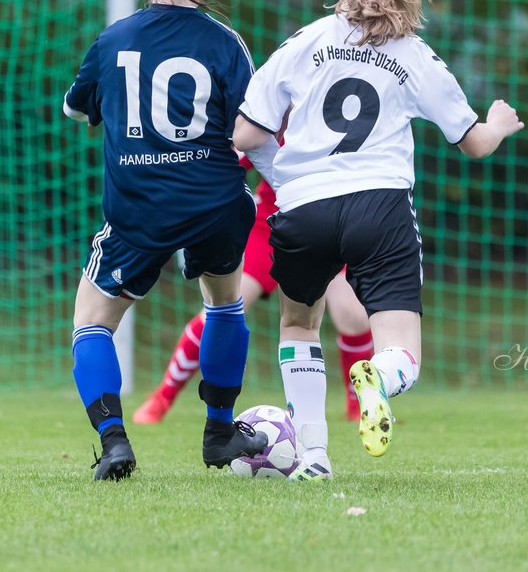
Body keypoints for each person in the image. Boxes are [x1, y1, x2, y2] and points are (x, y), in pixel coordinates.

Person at [232, 0, 524, 479]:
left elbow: (246, 133)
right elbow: (474, 143)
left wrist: (284, 167)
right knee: (401, 349)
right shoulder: (414, 53)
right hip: (380, 207)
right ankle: (380, 379)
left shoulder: (304, 42)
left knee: (299, 328)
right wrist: (500, 123)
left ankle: (314, 458)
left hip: (302, 208)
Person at [63, 0, 270, 481]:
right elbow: (251, 127)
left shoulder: (113, 39)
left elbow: (77, 109)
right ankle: (220, 432)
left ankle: (113, 443)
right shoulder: (227, 42)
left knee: (92, 322)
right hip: (214, 201)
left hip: (139, 204)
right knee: (224, 306)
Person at [131, 156, 374, 426]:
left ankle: (360, 405)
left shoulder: (334, 119)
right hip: (268, 226)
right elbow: (234, 157)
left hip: (323, 225)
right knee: (223, 307)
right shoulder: (271, 116)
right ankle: (163, 396)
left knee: (353, 314)